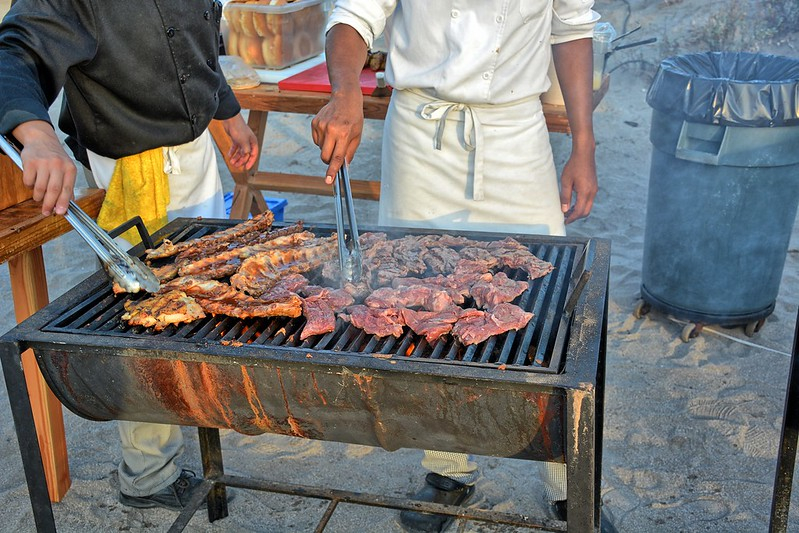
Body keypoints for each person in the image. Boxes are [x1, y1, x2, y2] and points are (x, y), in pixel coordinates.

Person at [312, 1, 599, 531]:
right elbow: (352, 14)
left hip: (517, 132)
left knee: (542, 309)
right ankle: (447, 469)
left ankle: (565, 478)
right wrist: (346, 92)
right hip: (422, 134)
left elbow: (571, 30)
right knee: (420, 309)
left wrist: (584, 143)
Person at [0, 0, 258, 511]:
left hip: (195, 158)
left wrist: (228, 118)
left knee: (197, 308)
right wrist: (37, 132)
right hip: (136, 173)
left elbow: (193, 48)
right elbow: (14, 52)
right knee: (146, 322)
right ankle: (149, 475)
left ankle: (190, 426)